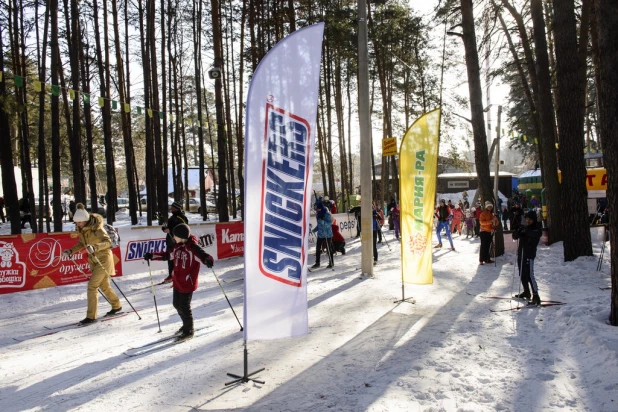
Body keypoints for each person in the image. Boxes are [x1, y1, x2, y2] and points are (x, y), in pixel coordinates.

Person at [144, 224, 214, 341]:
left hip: (187, 283)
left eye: (175, 236)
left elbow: (204, 255)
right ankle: (185, 325)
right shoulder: (176, 247)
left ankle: (189, 330)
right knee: (176, 304)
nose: (173, 238)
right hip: (177, 281)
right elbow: (167, 255)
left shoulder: (193, 248)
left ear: (181, 236)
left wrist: (208, 260)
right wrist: (152, 255)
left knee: (184, 307)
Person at [62, 203, 122, 325]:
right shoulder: (82, 230)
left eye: (79, 222)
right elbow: (81, 243)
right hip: (94, 260)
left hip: (104, 259)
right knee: (104, 285)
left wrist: (95, 247)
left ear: (85, 220)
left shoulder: (97, 229)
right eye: (76, 223)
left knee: (92, 286)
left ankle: (91, 316)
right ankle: (116, 305)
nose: (77, 225)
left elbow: (108, 241)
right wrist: (70, 251)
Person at [512, 210, 542, 305]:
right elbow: (515, 237)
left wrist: (525, 230)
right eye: (527, 219)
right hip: (521, 253)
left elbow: (534, 234)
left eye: (530, 219)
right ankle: (526, 291)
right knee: (522, 274)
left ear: (534, 220)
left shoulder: (536, 228)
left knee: (530, 275)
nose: (528, 221)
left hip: (529, 254)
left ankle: (536, 295)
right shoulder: (526, 227)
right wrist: (517, 231)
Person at [162, 201, 188, 283]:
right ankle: (171, 275)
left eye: (173, 207)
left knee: (178, 259)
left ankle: (178, 274)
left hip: (178, 242)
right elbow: (167, 227)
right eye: (171, 207)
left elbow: (184, 229)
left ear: (177, 208)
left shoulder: (182, 217)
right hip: (170, 241)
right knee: (170, 258)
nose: (171, 208)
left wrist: (172, 231)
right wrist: (164, 228)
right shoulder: (171, 217)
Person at [311, 202, 334, 269]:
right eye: (316, 209)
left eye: (318, 208)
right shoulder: (318, 214)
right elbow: (319, 225)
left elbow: (329, 223)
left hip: (327, 234)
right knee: (318, 248)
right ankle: (317, 262)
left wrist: (323, 221)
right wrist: (314, 230)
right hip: (320, 234)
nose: (317, 210)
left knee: (328, 248)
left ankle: (331, 262)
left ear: (321, 208)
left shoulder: (327, 213)